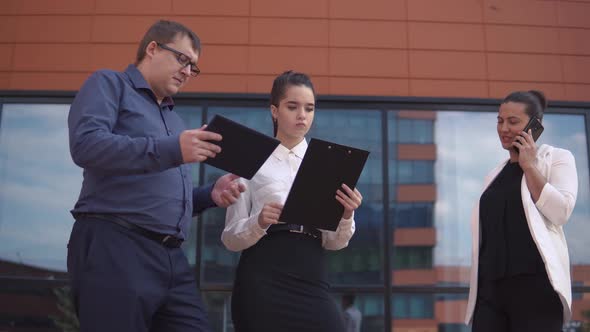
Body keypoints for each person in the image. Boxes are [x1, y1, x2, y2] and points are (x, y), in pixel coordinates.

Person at [67, 20, 245, 332]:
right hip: (116, 246)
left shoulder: (175, 121)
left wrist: (209, 195)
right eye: (183, 59)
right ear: (152, 48)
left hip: (171, 258)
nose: (188, 72)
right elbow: (86, 145)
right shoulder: (109, 84)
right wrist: (173, 149)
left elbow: (163, 194)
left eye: (194, 67)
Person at [221, 70, 363, 332]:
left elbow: (335, 243)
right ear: (274, 111)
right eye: (292, 106)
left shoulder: (329, 165)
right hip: (262, 276)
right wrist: (260, 221)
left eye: (309, 108)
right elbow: (230, 238)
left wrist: (346, 214)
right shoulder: (251, 161)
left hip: (311, 272)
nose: (302, 115)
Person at [464, 90, 578, 331]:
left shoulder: (556, 158)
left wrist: (529, 166)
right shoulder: (494, 175)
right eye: (500, 120)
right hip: (490, 292)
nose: (504, 128)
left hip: (536, 288)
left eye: (513, 121)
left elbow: (561, 212)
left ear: (535, 125)